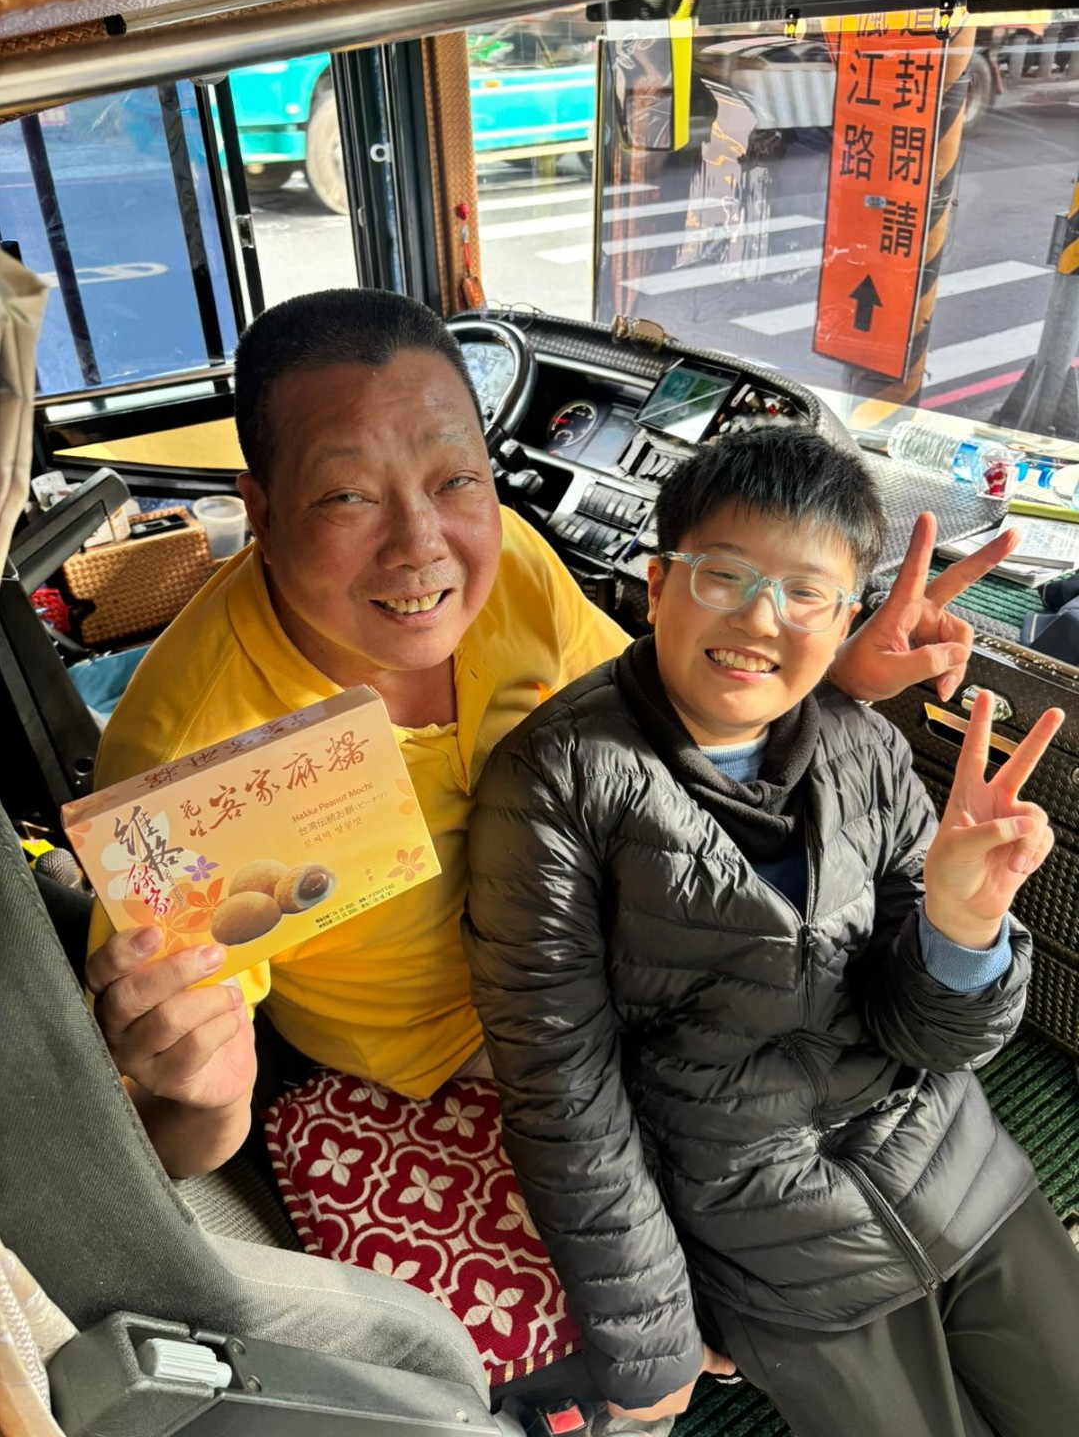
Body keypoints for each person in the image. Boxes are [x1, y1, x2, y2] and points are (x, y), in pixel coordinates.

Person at [85, 288, 1019, 1182]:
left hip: (625, 946)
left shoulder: (507, 566)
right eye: (347, 497)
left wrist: (830, 677)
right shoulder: (186, 769)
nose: (421, 546)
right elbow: (157, 1147)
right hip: (480, 1066)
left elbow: (654, 720)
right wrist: (212, 1101)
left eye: (456, 480)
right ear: (259, 509)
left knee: (900, 1084)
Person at [462, 427, 1077, 1437]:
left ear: (843, 623)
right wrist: (649, 1337)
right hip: (772, 1254)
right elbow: (563, 1085)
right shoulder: (552, 784)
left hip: (960, 1174)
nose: (759, 617)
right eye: (724, 576)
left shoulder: (866, 747)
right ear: (657, 585)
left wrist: (963, 929)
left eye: (805, 594)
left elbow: (936, 1040)